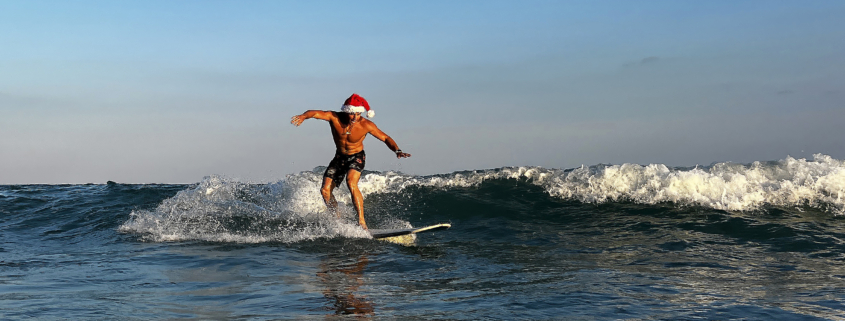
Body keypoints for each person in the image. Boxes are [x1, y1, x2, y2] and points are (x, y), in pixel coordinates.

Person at [290, 93, 411, 230]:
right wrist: (303, 116)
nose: (354, 117)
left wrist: (397, 150)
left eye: (358, 114)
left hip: (356, 157)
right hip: (339, 157)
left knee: (351, 182)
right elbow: (316, 113)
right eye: (352, 114)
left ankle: (361, 222)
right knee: (325, 190)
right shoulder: (334, 118)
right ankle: (337, 220)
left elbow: (385, 138)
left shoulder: (366, 125)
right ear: (346, 111)